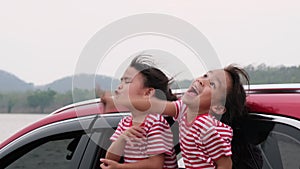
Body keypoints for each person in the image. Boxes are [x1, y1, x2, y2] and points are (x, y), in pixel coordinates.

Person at [104, 64, 252, 169]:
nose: (201, 80)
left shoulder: (207, 128)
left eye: (212, 84)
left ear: (217, 108)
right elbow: (153, 104)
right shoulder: (183, 109)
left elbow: (225, 165)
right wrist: (118, 101)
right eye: (206, 75)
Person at [99, 55, 178, 169]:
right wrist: (122, 138)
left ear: (148, 93)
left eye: (127, 81)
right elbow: (110, 158)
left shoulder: (155, 123)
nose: (120, 86)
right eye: (121, 81)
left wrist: (120, 167)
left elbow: (156, 165)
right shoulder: (125, 123)